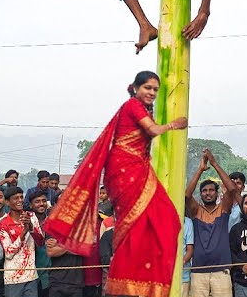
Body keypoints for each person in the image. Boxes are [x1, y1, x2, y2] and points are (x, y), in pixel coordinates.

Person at [44, 70, 187, 297]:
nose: (151, 92)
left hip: (139, 167)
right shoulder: (132, 106)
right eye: (147, 88)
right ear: (135, 88)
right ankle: (127, 278)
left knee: (166, 219)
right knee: (138, 224)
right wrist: (174, 125)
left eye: (155, 90)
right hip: (124, 169)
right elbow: (151, 130)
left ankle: (141, 278)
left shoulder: (143, 108)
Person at [185, 149, 241, 297]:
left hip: (221, 269)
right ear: (201, 194)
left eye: (211, 190)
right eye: (204, 191)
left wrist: (214, 163)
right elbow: (186, 195)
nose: (208, 193)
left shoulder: (223, 209)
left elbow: (232, 189)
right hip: (198, 270)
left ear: (217, 193)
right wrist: (200, 169)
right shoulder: (196, 211)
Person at [0, 187, 42, 297]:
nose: (20, 200)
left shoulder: (31, 217)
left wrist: (31, 226)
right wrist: (23, 232)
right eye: (15, 198)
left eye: (21, 197)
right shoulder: (3, 224)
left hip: (31, 276)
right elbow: (8, 253)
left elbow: (40, 242)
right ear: (7, 202)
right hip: (13, 277)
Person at [44, 229, 84, 297]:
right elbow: (50, 252)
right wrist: (74, 244)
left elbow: (83, 250)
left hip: (76, 282)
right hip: (56, 281)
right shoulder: (54, 227)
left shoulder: (82, 228)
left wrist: (59, 244)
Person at [30, 195, 52, 297]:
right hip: (30, 274)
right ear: (31, 205)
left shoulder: (52, 222)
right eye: (37, 201)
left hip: (49, 274)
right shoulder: (26, 223)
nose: (41, 204)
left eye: (43, 201)